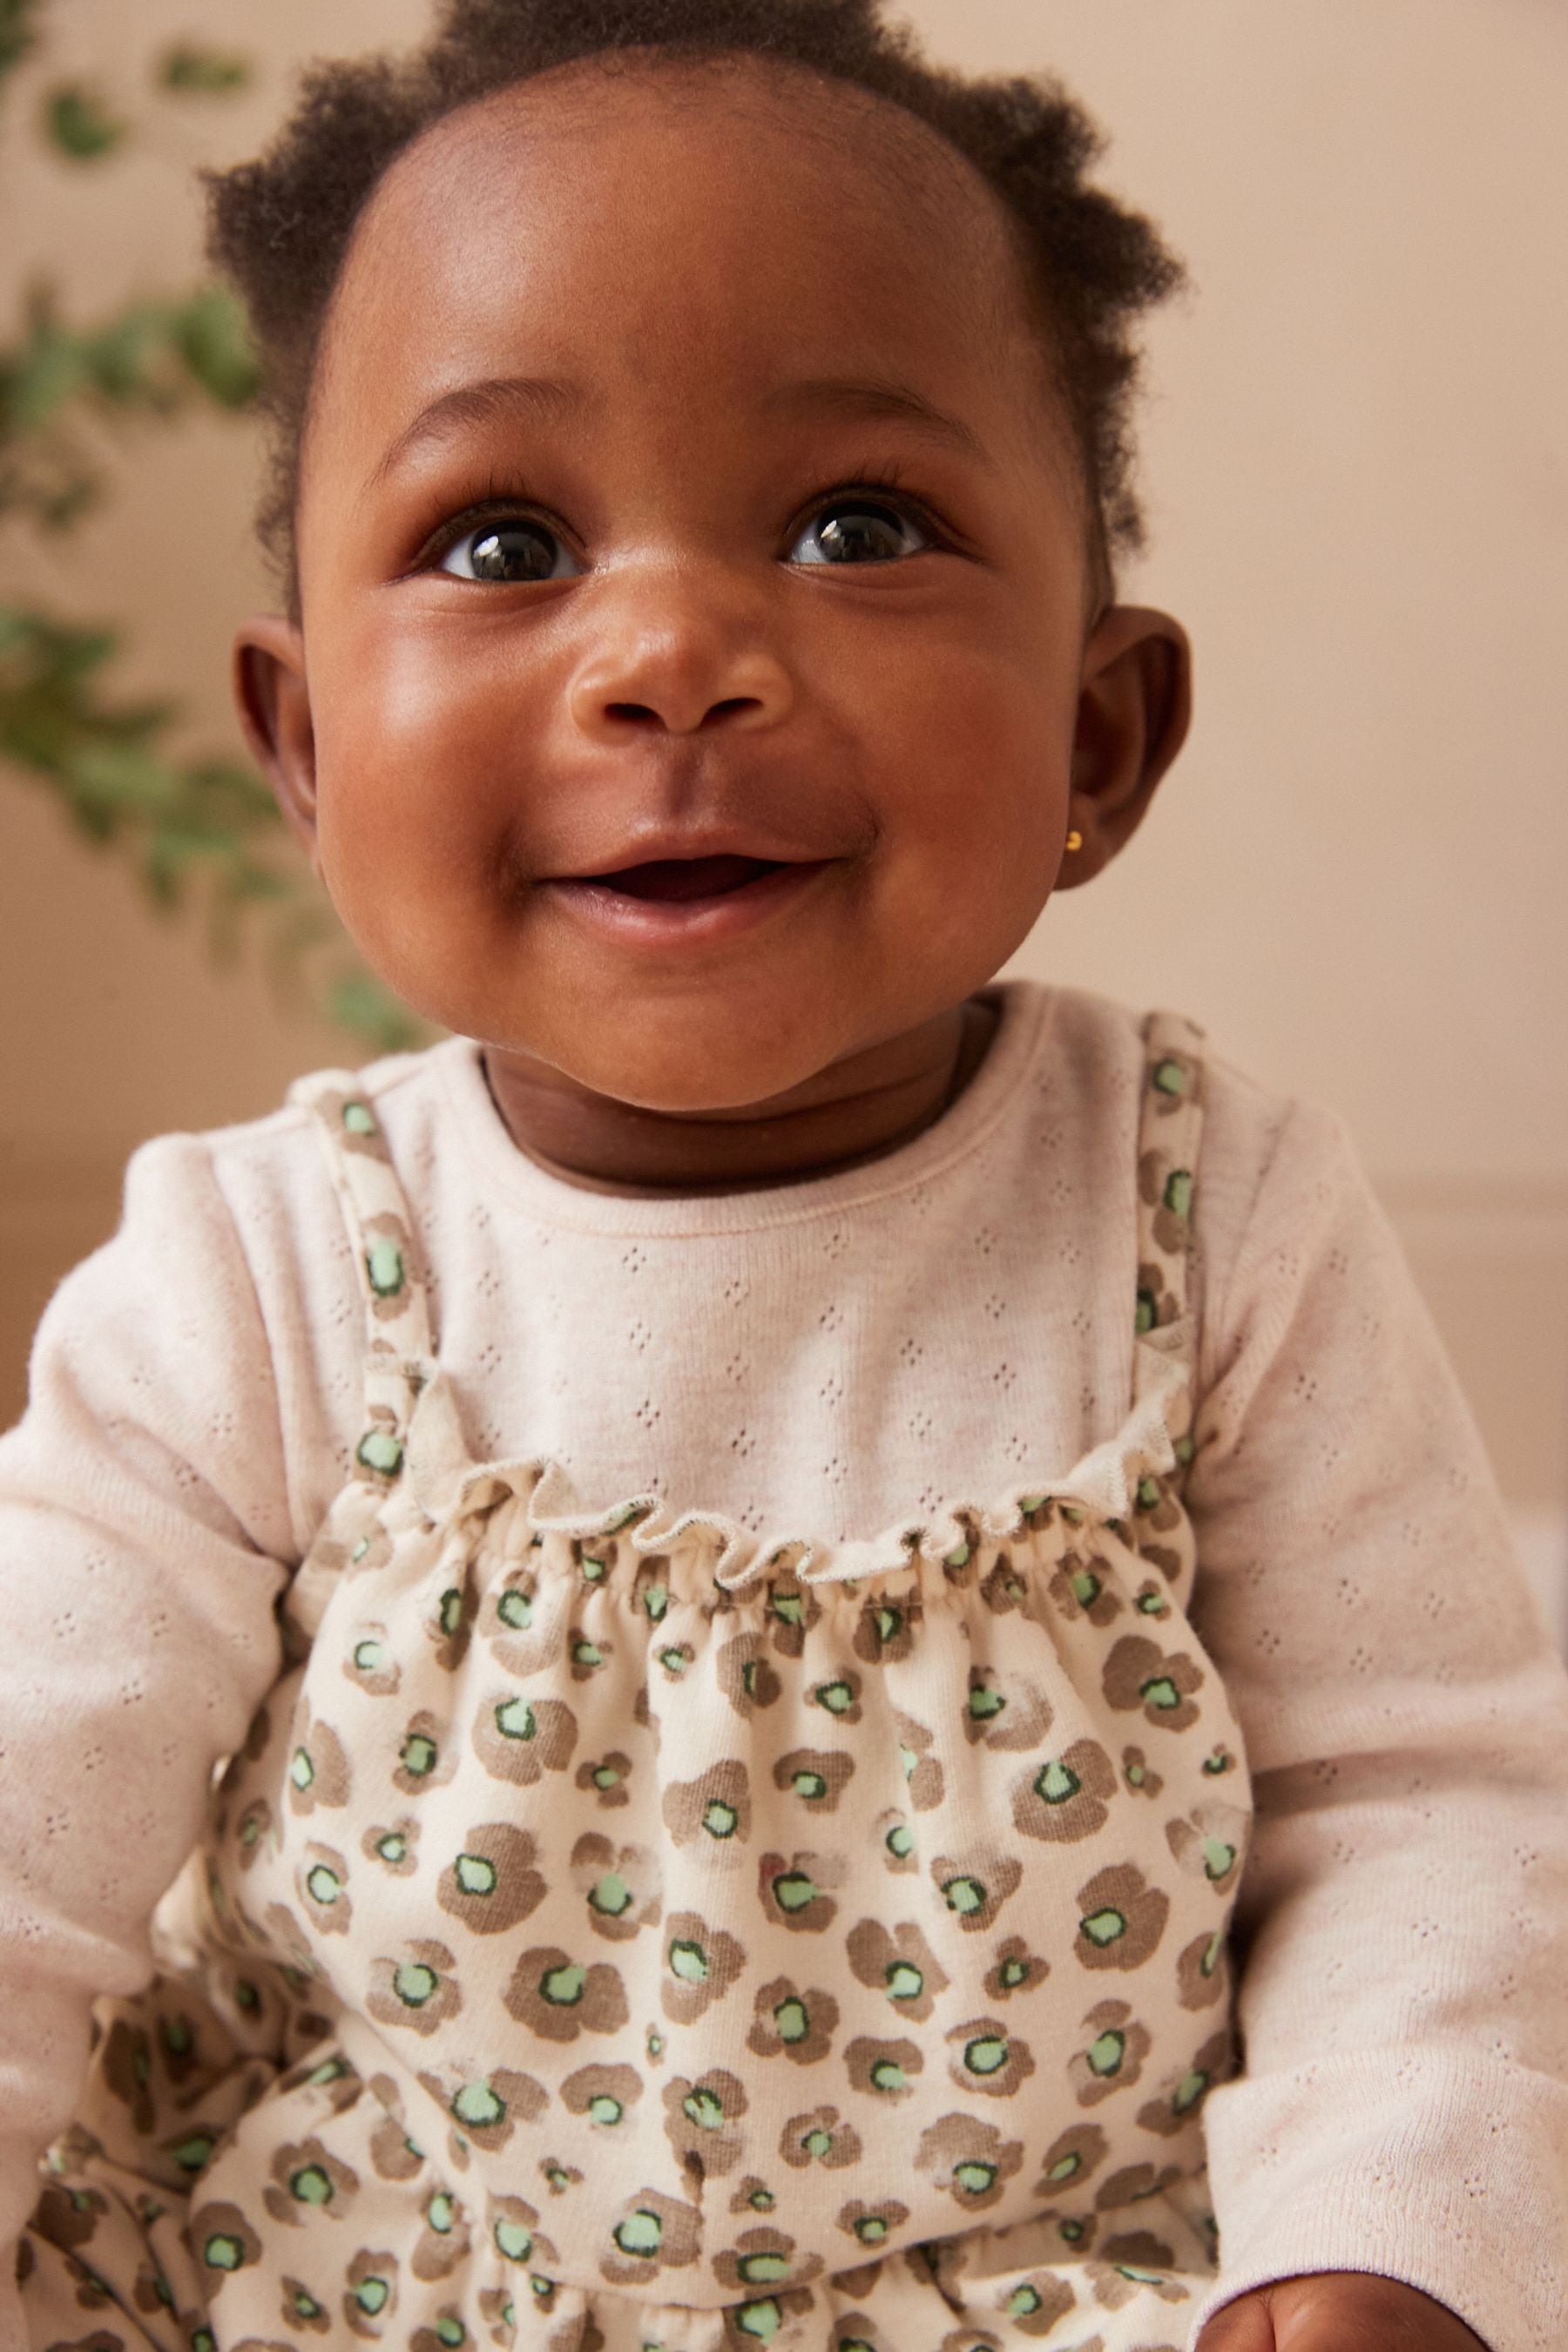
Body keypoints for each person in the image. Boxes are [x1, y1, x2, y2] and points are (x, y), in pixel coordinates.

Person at [1, 2, 1563, 2346]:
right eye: (503, 538)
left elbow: (1419, 1800)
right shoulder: (259, 1278)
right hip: (360, 2280)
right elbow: (24, 1841)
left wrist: (1384, 2232)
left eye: (859, 524)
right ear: (307, 750)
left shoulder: (1211, 1216)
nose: (672, 657)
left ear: (1098, 733)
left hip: (1052, 2283)